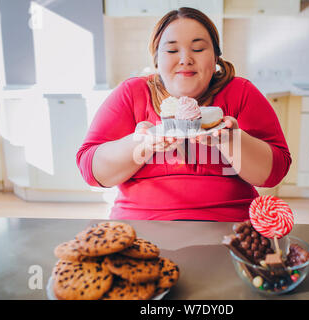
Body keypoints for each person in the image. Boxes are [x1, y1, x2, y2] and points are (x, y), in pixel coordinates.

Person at [76, 7, 291, 222]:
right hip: (141, 226)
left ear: (215, 56)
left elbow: (275, 172)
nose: (185, 59)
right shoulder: (132, 93)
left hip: (230, 227)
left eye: (198, 49)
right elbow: (91, 171)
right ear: (157, 59)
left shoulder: (241, 92)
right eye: (171, 51)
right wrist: (140, 143)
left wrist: (231, 139)